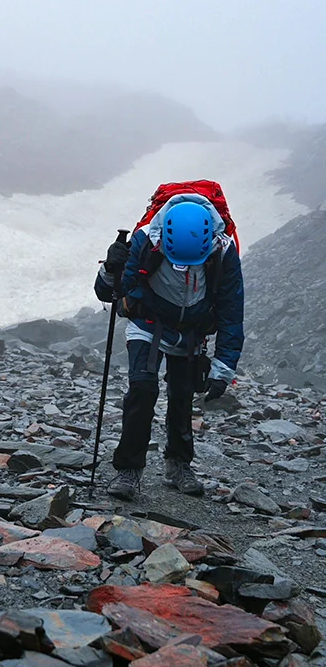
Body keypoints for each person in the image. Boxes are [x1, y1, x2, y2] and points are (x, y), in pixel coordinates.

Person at [95, 195, 244, 501]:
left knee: (182, 395)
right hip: (147, 321)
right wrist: (111, 267)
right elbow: (108, 291)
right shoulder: (145, 239)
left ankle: (178, 466)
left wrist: (223, 368)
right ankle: (128, 471)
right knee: (142, 389)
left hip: (190, 331)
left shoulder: (222, 250)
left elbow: (231, 310)